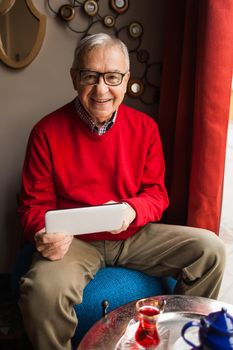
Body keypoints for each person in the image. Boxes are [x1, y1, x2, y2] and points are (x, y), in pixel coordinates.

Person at [18, 33, 226, 350]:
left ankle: (183, 337)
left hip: (134, 233)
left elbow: (157, 194)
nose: (101, 89)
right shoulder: (46, 131)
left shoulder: (145, 128)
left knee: (211, 250)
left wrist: (132, 210)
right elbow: (33, 206)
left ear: (126, 80)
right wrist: (40, 232)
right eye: (90, 76)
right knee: (42, 291)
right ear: (75, 78)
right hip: (76, 242)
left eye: (112, 77)